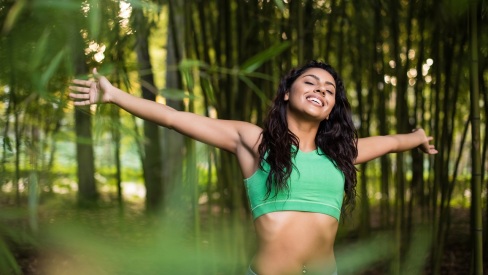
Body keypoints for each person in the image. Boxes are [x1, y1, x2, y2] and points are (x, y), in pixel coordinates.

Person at [69, 60, 437, 275]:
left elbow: (392, 142)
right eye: (310, 82)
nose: (321, 89)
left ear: (332, 108)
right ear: (286, 94)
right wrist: (115, 95)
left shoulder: (342, 153)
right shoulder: (255, 142)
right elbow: (174, 118)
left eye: (329, 90)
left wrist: (417, 136)